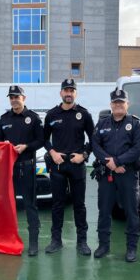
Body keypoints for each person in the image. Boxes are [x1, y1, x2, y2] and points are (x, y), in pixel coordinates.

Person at [91, 88, 140, 260]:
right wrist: (110, 163)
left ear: (127, 104)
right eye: (115, 103)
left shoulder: (136, 124)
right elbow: (95, 145)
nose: (118, 105)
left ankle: (131, 249)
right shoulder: (102, 124)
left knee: (131, 211)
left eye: (121, 102)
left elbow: (137, 150)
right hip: (107, 173)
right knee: (104, 210)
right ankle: (103, 245)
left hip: (127, 174)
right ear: (111, 105)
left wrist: (118, 161)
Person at [43, 79, 94, 256]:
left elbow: (94, 139)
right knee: (57, 205)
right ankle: (56, 241)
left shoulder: (84, 114)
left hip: (77, 165)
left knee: (79, 205)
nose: (69, 93)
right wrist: (52, 153)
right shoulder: (52, 115)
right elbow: (44, 138)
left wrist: (84, 155)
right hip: (58, 165)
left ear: (76, 93)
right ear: (61, 93)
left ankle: (82, 242)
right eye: (66, 90)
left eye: (72, 90)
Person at [0, 85, 44, 256]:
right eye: (11, 97)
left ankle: (33, 243)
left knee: (30, 205)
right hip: (8, 169)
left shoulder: (33, 118)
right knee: (7, 205)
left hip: (27, 167)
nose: (14, 99)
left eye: (17, 96)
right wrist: (4, 146)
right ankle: (6, 240)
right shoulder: (4, 119)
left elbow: (41, 141)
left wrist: (27, 147)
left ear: (24, 98)